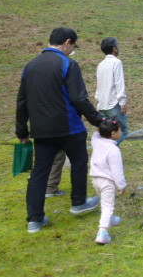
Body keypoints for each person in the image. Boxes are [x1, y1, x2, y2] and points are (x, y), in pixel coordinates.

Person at [16, 27, 103, 233]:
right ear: (67, 42)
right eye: (73, 46)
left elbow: (22, 102)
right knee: (79, 162)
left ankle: (35, 219)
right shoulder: (68, 64)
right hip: (69, 128)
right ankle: (79, 202)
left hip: (41, 131)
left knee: (40, 172)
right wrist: (98, 120)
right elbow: (79, 98)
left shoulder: (30, 66)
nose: (72, 50)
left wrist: (22, 132)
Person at [90, 119, 127, 245]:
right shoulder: (113, 150)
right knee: (107, 206)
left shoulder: (96, 142)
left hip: (95, 180)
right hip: (107, 182)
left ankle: (110, 219)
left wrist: (99, 129)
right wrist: (122, 186)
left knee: (104, 202)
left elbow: (94, 135)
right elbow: (117, 171)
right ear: (113, 134)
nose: (121, 132)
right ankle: (103, 232)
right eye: (120, 130)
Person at [95, 37, 129, 145]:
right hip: (114, 105)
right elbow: (119, 84)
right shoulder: (116, 62)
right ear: (114, 48)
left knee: (107, 135)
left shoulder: (101, 64)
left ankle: (107, 156)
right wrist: (123, 102)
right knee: (123, 131)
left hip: (102, 105)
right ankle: (109, 153)